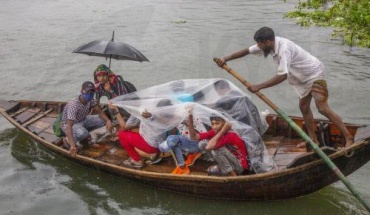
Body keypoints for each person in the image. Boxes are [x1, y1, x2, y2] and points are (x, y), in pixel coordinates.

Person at [215, 26, 354, 148]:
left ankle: (348, 137)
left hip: (314, 73)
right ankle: (313, 141)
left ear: (268, 42)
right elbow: (246, 51)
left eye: (260, 44)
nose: (258, 46)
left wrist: (259, 86)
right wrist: (225, 59)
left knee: (322, 107)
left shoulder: (284, 49)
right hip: (301, 78)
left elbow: (282, 76)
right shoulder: (267, 44)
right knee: (304, 107)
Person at [61, 81, 113, 156]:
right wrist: (72, 146)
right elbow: (69, 126)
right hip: (70, 124)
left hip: (83, 119)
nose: (90, 94)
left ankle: (84, 136)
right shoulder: (74, 105)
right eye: (87, 92)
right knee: (83, 133)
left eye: (92, 92)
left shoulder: (91, 100)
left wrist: (108, 121)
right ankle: (68, 140)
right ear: (82, 91)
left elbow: (100, 112)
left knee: (102, 120)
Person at [159, 105, 207, 175]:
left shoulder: (187, 116)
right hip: (188, 143)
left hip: (199, 144)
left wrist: (189, 120)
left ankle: (182, 167)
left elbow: (196, 136)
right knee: (161, 147)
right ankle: (189, 154)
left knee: (171, 139)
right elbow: (174, 134)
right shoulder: (176, 118)